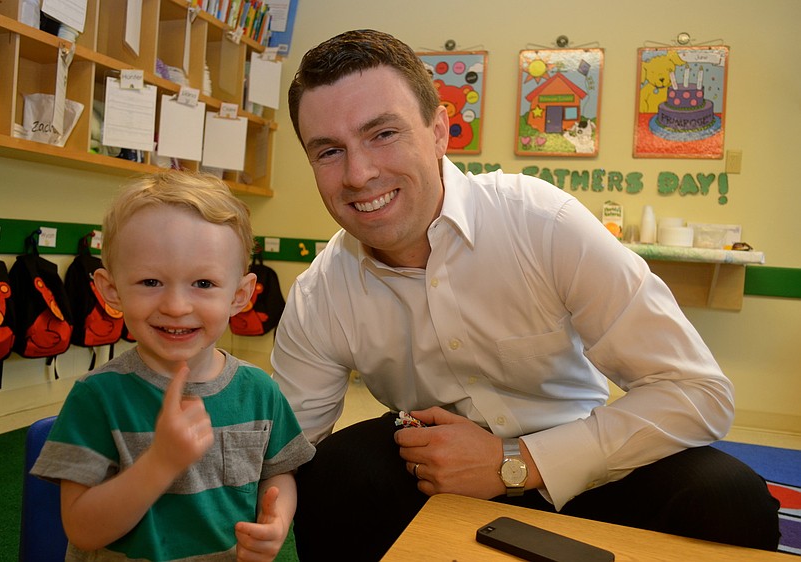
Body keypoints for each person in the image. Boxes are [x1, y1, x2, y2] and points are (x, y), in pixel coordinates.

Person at [274, 29, 780, 560]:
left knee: (731, 499)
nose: (360, 174)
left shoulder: (541, 223)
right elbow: (282, 451)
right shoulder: (321, 292)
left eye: (383, 134)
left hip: (582, 471)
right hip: (435, 480)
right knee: (336, 474)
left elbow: (697, 392)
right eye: (330, 151)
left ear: (440, 130)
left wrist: (515, 463)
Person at [31, 171, 314, 561]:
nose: (176, 307)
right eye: (150, 282)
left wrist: (277, 518)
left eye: (203, 283)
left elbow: (279, 470)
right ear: (110, 290)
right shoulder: (97, 398)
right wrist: (160, 463)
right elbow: (83, 529)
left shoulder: (259, 391)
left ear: (240, 295)